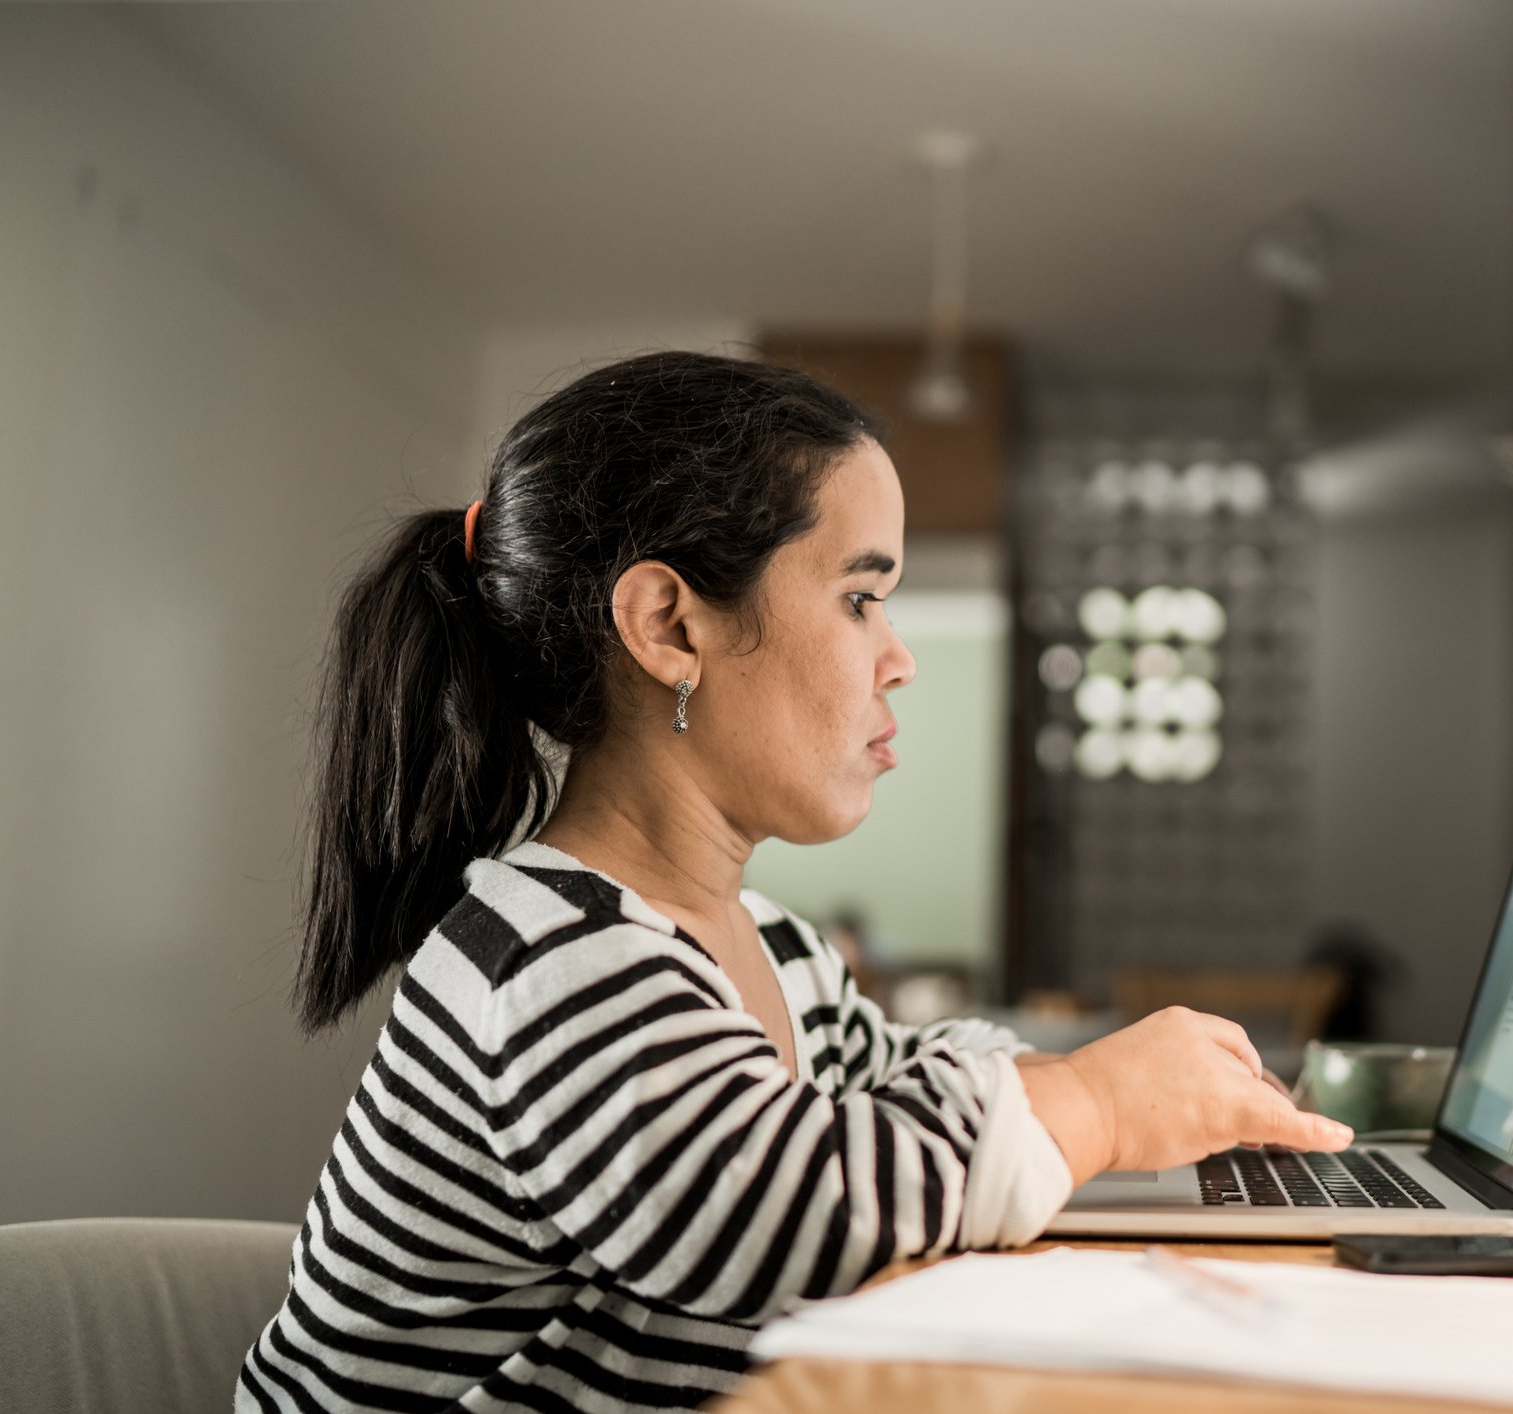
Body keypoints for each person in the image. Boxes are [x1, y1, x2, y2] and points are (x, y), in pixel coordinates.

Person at [236, 351, 1351, 1411]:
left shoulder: (767, 946)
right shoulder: (549, 960)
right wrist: (1098, 1100)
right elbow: (789, 1207)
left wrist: (1117, 1093)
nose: (898, 654)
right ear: (669, 625)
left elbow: (902, 1080)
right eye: (861, 598)